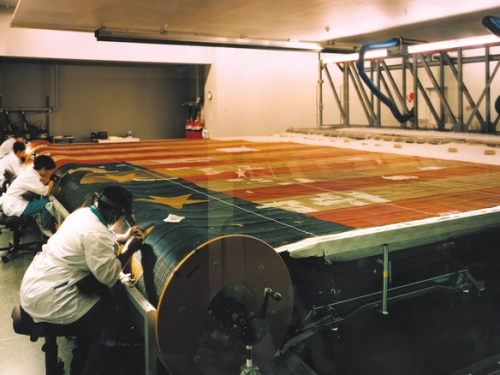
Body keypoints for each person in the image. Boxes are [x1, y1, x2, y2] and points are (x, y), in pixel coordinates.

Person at [20, 185, 144, 375]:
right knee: (114, 327)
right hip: (50, 295)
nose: (123, 220)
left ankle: (78, 366)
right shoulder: (96, 234)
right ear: (112, 212)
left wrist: (123, 237)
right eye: (123, 216)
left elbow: (96, 234)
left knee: (97, 312)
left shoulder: (84, 213)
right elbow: (109, 276)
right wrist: (129, 249)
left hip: (38, 282)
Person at [1, 154, 56, 236]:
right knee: (46, 203)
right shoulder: (31, 177)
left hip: (11, 202)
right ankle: (46, 230)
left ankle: (44, 223)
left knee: (37, 200)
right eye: (48, 170)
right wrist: (52, 180)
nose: (49, 173)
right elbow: (46, 192)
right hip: (13, 206)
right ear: (43, 168)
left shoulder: (30, 172)